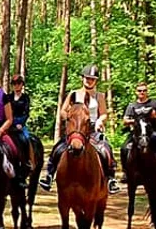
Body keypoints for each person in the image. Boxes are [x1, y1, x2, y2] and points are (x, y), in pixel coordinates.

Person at [39, 64, 119, 194]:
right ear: (82, 78)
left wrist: (99, 121)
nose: (89, 81)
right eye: (87, 78)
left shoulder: (100, 96)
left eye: (92, 79)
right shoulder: (74, 94)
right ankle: (49, 174)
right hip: (75, 130)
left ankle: (110, 179)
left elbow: (104, 113)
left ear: (96, 80)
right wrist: (70, 118)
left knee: (106, 149)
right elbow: (63, 111)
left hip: (92, 130)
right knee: (58, 148)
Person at [122, 83, 156, 183]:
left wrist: (155, 117)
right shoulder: (132, 106)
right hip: (137, 133)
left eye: (144, 90)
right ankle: (126, 172)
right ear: (136, 92)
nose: (142, 92)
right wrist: (135, 121)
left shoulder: (154, 104)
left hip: (152, 132)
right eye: (140, 91)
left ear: (147, 92)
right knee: (124, 148)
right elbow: (125, 121)